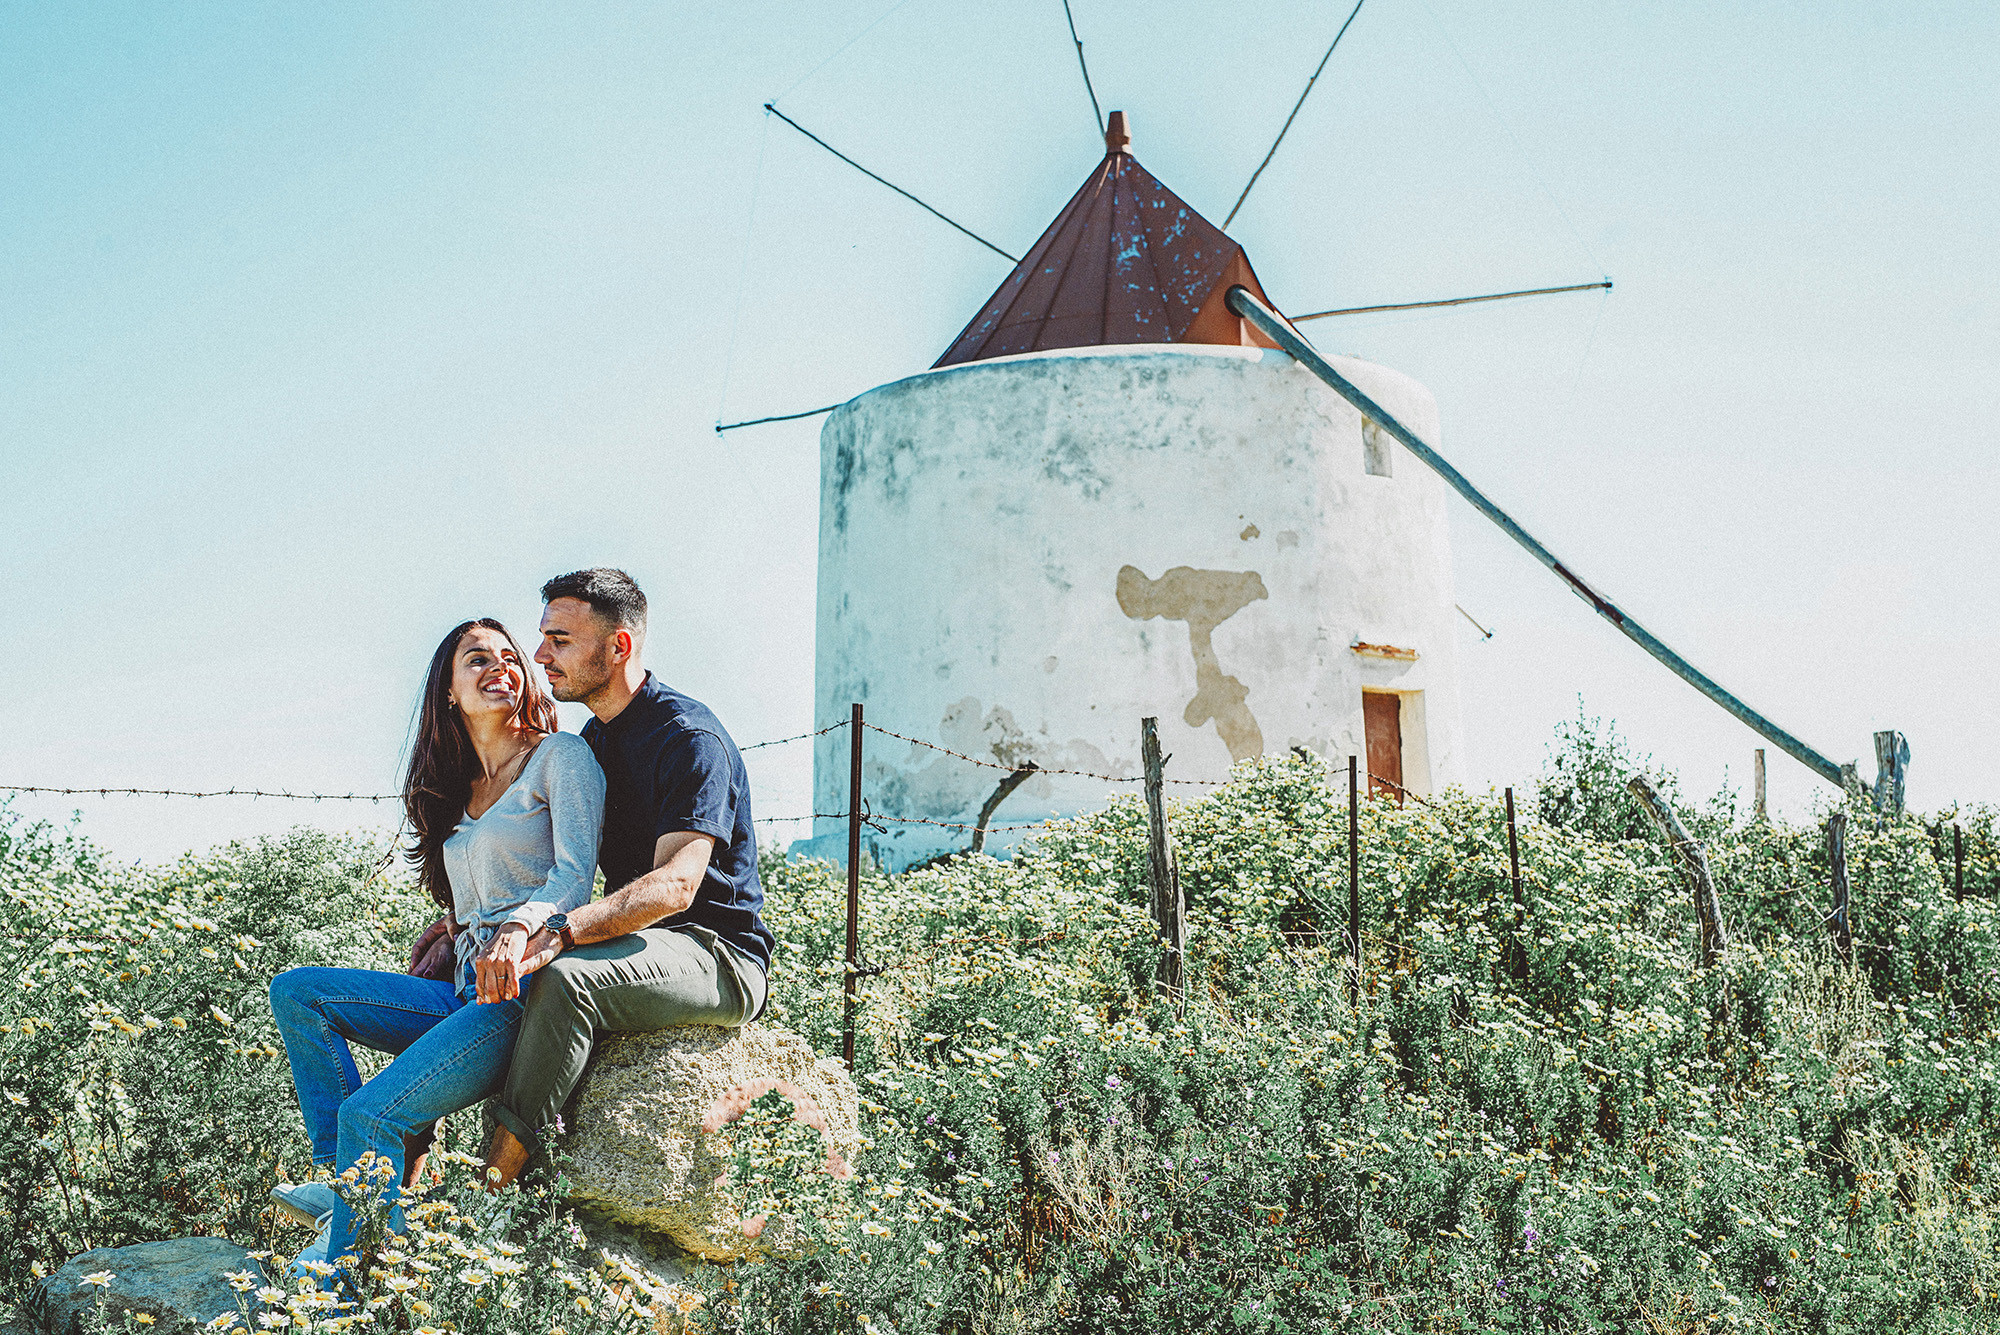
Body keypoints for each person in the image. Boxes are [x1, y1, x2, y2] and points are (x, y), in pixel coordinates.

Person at [266, 618, 605, 1276]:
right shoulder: (456, 785)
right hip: (461, 993)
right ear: (449, 690)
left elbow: (573, 877)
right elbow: (476, 885)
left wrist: (519, 924)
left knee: (374, 1113)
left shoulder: (560, 758)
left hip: (521, 996)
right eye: (478, 658)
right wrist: (456, 926)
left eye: (510, 656)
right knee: (299, 992)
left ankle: (349, 1287)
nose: (500, 666)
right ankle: (350, 1194)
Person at [473, 568, 774, 1189]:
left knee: (563, 982)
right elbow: (556, 862)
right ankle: (386, 1186)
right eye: (543, 637)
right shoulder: (593, 742)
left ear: (619, 646)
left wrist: (563, 930)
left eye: (560, 640)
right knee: (500, 981)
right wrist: (456, 927)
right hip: (640, 945)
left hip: (716, 954)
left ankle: (493, 1186)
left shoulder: (688, 738)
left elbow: (676, 886)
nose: (539, 656)